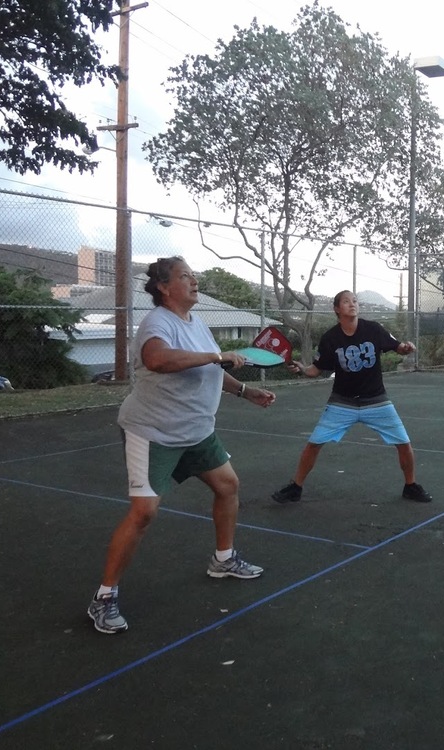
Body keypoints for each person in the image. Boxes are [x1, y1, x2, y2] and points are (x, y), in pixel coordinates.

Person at [87, 256, 276, 635]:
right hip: (153, 432)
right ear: (163, 286)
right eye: (185, 276)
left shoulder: (197, 323)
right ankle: (104, 598)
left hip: (196, 431)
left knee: (228, 486)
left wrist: (245, 391)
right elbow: (157, 359)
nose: (194, 281)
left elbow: (210, 369)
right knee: (143, 513)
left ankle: (223, 559)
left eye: (194, 276)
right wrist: (215, 355)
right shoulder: (157, 322)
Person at [272, 290, 432, 504]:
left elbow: (398, 348)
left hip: (376, 399)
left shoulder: (373, 329)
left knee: (403, 442)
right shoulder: (330, 338)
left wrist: (406, 347)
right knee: (314, 443)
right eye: (346, 301)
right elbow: (316, 369)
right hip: (342, 402)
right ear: (337, 309)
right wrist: (301, 368)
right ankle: (296, 487)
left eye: (354, 301)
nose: (352, 304)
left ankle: (410, 486)